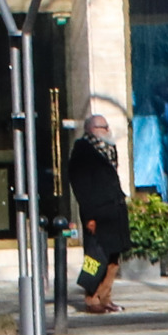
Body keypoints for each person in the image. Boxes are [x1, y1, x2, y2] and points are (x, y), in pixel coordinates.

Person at [66, 113, 129, 314]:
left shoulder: (109, 149)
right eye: (103, 127)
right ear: (92, 130)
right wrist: (91, 216)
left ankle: (105, 296)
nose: (107, 130)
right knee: (95, 257)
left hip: (114, 211)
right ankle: (91, 297)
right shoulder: (83, 152)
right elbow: (82, 188)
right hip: (97, 212)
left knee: (113, 257)